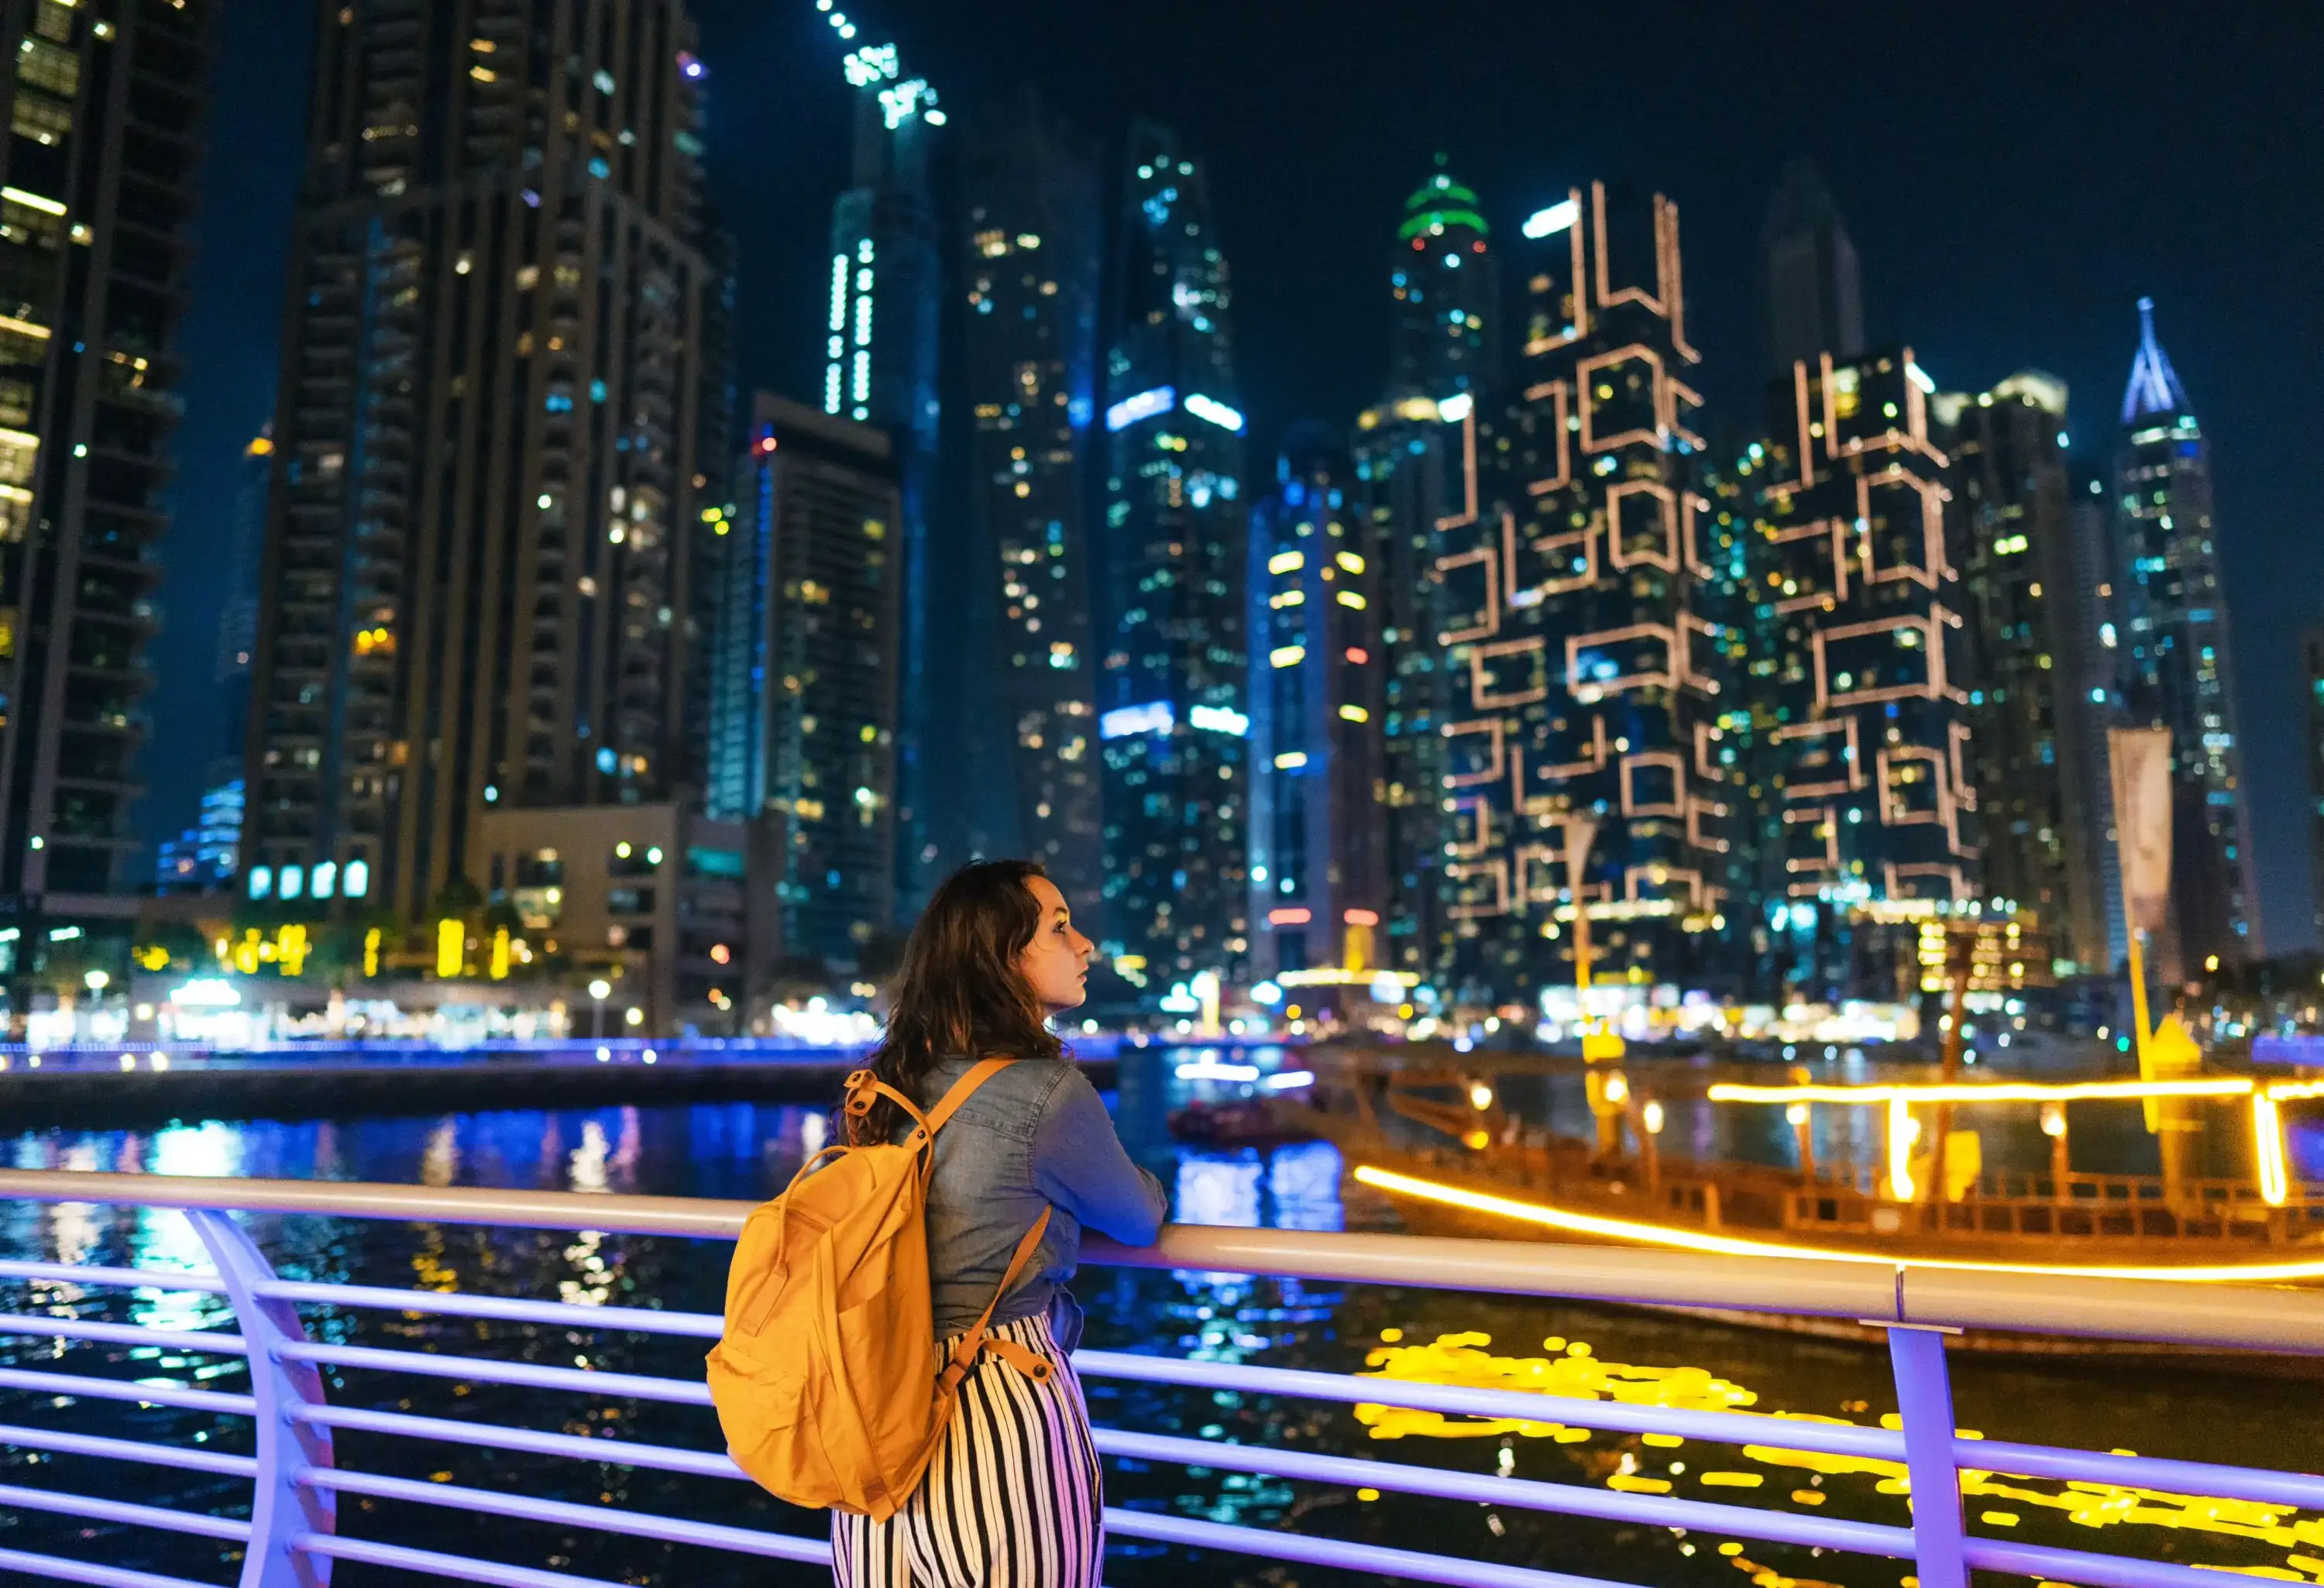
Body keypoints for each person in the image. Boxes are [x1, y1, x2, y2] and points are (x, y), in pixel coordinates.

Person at [831, 859, 1168, 1588]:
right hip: (995, 1410)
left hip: (872, 1408)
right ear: (1003, 957)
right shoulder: (1045, 1091)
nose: (1085, 945)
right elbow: (1137, 1218)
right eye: (1058, 927)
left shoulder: (887, 1084)